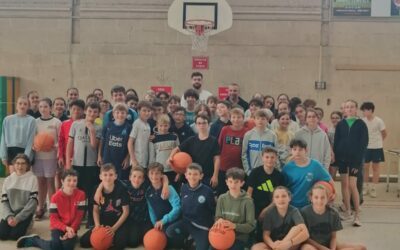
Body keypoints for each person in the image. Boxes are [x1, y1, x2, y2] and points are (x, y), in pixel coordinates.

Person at [17, 169, 86, 250]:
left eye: (75, 180)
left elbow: (79, 217)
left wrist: (72, 230)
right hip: (58, 227)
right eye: (69, 180)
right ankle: (35, 240)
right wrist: (65, 228)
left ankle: (72, 238)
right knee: (55, 247)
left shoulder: (81, 195)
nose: (72, 183)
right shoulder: (55, 197)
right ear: (62, 181)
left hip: (72, 228)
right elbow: (54, 219)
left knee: (67, 247)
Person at [65, 101, 102, 227]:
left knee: (90, 193)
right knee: (77, 193)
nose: (92, 114)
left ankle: (91, 219)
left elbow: (93, 146)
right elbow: (69, 144)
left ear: (98, 114)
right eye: (90, 111)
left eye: (95, 112)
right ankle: (77, 217)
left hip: (91, 166)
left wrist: (92, 130)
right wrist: (68, 164)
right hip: (77, 164)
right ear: (85, 111)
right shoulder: (75, 124)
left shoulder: (98, 128)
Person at [333, 100, 368, 226]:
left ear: (356, 109)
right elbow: (336, 142)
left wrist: (359, 161)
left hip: (354, 160)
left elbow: (363, 144)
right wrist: (336, 158)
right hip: (342, 159)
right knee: (344, 185)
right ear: (344, 109)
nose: (349, 109)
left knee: (353, 186)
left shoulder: (361, 124)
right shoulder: (341, 124)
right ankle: (348, 211)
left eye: (352, 107)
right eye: (347, 107)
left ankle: (357, 214)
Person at [300, 185, 366, 250]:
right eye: (316, 197)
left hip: (328, 244)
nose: (319, 200)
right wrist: (322, 248)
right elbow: (305, 238)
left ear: (327, 198)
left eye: (323, 197)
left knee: (362, 248)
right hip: (311, 245)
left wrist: (332, 249)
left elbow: (333, 237)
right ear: (311, 198)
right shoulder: (304, 212)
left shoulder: (333, 213)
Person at [80, 163, 129, 249]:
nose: (108, 177)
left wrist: (114, 228)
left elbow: (126, 212)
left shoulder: (121, 189)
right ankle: (108, 240)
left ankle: (111, 240)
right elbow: (95, 210)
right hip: (103, 221)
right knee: (84, 242)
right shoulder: (96, 190)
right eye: (105, 175)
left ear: (115, 176)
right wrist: (97, 225)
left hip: (118, 222)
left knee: (120, 245)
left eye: (111, 175)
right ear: (100, 176)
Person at [166, 163, 215, 250]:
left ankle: (195, 240)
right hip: (186, 223)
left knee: (203, 248)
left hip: (201, 226)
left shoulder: (208, 192)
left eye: (195, 174)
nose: (192, 177)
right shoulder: (183, 188)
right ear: (186, 175)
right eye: (190, 174)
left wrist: (211, 227)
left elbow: (213, 210)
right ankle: (186, 241)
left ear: (201, 176)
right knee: (170, 232)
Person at [169, 114, 220, 188]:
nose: (201, 125)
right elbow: (177, 149)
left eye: (204, 123)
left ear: (209, 124)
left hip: (207, 176)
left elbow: (217, 159)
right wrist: (170, 157)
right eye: (199, 123)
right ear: (196, 125)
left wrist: (215, 175)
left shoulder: (214, 141)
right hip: (191, 176)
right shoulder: (191, 140)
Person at [282, 139, 333, 208]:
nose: (297, 152)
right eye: (294, 149)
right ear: (291, 151)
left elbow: (329, 180)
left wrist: (334, 193)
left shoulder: (315, 165)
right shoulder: (287, 168)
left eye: (300, 149)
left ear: (306, 150)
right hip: (291, 205)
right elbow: (283, 188)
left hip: (310, 206)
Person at [247, 147, 284, 242]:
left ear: (276, 158)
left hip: (271, 208)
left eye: (272, 157)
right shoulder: (255, 172)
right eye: (267, 157)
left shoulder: (279, 176)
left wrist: (266, 210)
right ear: (262, 158)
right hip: (254, 207)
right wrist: (250, 211)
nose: (269, 160)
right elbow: (249, 193)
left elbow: (278, 198)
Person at [33, 98, 61, 220]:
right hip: (38, 156)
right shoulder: (35, 122)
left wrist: (55, 147)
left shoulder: (56, 122)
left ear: (50, 108)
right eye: (41, 107)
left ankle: (52, 207)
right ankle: (40, 207)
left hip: (51, 157)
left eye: (45, 106)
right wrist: (34, 146)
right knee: (40, 182)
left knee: (50, 182)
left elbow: (61, 140)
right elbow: (32, 138)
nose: (43, 109)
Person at [214, 167, 256, 250]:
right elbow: (217, 217)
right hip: (223, 234)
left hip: (240, 237)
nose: (233, 185)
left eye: (236, 182)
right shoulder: (222, 198)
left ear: (242, 183)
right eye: (230, 182)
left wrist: (234, 226)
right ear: (226, 182)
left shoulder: (248, 201)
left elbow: (251, 225)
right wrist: (219, 220)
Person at [0, 154, 37, 241]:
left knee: (15, 236)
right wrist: (9, 217)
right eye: (18, 163)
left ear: (27, 165)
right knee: (2, 235)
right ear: (14, 164)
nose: (20, 166)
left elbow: (33, 203)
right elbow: (4, 201)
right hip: (11, 213)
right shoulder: (8, 180)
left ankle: (29, 224)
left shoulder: (32, 179)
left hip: (24, 214)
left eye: (23, 163)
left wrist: (18, 218)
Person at [0, 96, 36, 174]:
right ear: (16, 106)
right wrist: (3, 156)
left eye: (25, 104)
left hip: (25, 151)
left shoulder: (32, 120)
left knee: (24, 179)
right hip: (11, 151)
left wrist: (26, 157)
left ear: (28, 107)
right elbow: (3, 138)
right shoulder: (7, 119)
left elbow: (31, 140)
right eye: (20, 103)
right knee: (13, 177)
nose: (22, 106)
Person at [218, 108, 249, 195]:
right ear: (230, 118)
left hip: (239, 168)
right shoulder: (225, 129)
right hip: (224, 167)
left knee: (238, 192)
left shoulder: (247, 132)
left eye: (239, 117)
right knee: (222, 192)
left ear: (243, 118)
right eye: (233, 117)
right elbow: (219, 147)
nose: (236, 119)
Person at [146, 162, 181, 239]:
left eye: (157, 173)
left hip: (172, 221)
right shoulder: (148, 192)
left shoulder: (169, 189)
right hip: (160, 222)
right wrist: (155, 224)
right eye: (151, 173)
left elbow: (178, 208)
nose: (154, 176)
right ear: (148, 175)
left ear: (162, 175)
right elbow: (151, 210)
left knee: (169, 234)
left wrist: (163, 220)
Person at [98, 103, 132, 180]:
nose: (120, 115)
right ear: (113, 114)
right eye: (117, 112)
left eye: (123, 113)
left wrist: (127, 158)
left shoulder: (129, 127)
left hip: (121, 160)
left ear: (126, 114)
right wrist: (99, 156)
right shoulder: (108, 126)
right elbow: (102, 141)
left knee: (120, 181)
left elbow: (131, 144)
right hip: (107, 158)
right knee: (107, 179)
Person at [361, 101, 387, 198]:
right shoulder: (362, 121)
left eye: (365, 110)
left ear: (370, 110)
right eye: (363, 111)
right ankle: (365, 187)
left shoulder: (379, 121)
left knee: (375, 168)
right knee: (365, 167)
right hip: (366, 148)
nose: (364, 112)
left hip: (377, 148)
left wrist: (378, 142)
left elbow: (384, 133)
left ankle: (373, 188)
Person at [242, 109, 277, 175]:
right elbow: (244, 155)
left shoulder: (272, 135)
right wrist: (248, 171)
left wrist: (272, 170)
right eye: (258, 118)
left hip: (268, 172)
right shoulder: (248, 135)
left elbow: (276, 154)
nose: (260, 121)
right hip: (252, 171)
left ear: (267, 120)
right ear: (254, 120)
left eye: (263, 119)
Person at [149, 114, 180, 188]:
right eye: (161, 125)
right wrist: (152, 171)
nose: (163, 128)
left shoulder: (174, 137)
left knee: (174, 189)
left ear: (169, 125)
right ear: (157, 125)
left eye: (165, 125)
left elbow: (179, 154)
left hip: (173, 170)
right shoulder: (153, 139)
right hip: (159, 170)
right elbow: (152, 156)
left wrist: (179, 172)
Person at [128, 100, 152, 169]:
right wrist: (133, 160)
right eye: (144, 110)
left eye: (148, 111)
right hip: (137, 161)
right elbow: (130, 143)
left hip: (145, 160)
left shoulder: (148, 125)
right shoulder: (137, 123)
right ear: (138, 111)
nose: (147, 113)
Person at [327, 111, 343, 179]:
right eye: (333, 118)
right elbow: (329, 144)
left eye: (337, 118)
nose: (335, 119)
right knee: (331, 177)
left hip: (343, 156)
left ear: (341, 119)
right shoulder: (329, 130)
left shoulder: (345, 129)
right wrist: (332, 154)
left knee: (345, 178)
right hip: (333, 156)